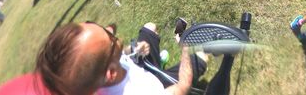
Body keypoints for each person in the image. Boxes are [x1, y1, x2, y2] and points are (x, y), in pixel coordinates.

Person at [35, 21, 207, 95]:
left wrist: (132, 51)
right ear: (110, 72)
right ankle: (161, 68)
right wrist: (185, 47)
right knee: (201, 57)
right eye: (110, 38)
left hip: (138, 71)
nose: (112, 31)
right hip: (158, 87)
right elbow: (182, 87)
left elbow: (121, 55)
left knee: (149, 27)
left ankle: (157, 64)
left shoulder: (100, 72)